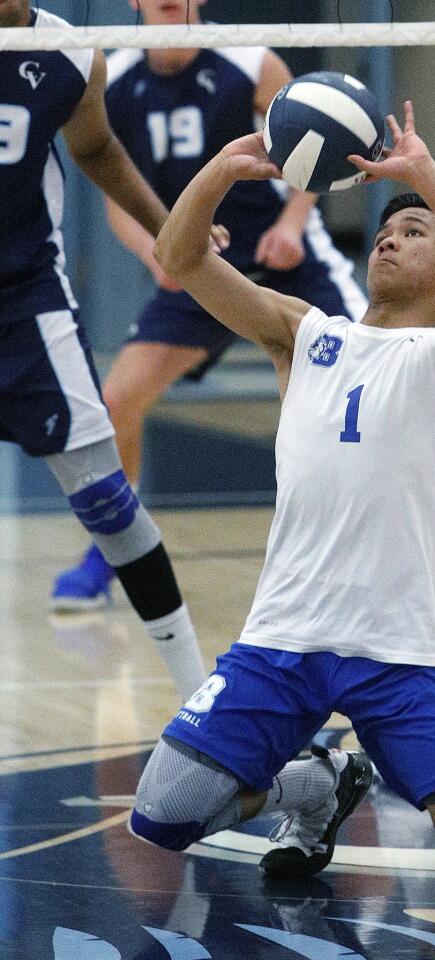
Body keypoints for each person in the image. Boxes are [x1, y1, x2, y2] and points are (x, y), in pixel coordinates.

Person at [126, 105, 435, 888]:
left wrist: (423, 176)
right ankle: (321, 785)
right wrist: (224, 171)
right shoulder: (302, 333)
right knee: (164, 812)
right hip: (282, 642)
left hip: (392, 659)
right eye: (383, 232)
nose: (388, 239)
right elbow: (179, 256)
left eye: (414, 233)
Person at [50, 0, 367, 610]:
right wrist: (157, 253)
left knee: (374, 392)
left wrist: (294, 225)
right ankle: (113, 550)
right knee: (117, 401)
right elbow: (117, 193)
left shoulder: (251, 60)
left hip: (289, 263)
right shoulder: (110, 78)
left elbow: (320, 154)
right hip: (201, 269)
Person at [0, 0, 206, 699]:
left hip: (25, 306)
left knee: (107, 501)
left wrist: (170, 226)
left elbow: (96, 149)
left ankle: (196, 693)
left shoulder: (71, 53)